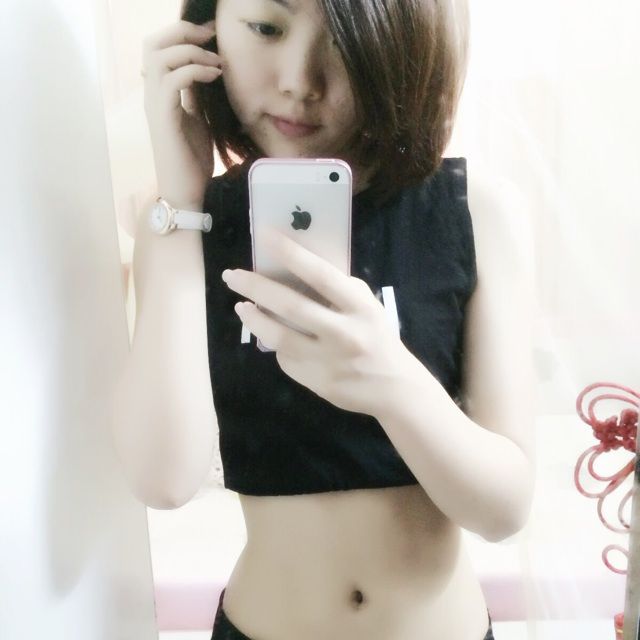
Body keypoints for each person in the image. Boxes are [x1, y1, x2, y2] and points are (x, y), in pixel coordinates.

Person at [123, 0, 536, 638]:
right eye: (266, 28)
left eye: (346, 42)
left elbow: (504, 511)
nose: (299, 81)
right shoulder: (182, 225)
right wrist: (182, 206)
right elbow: (164, 481)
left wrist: (391, 381)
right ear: (205, 33)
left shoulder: (474, 212)